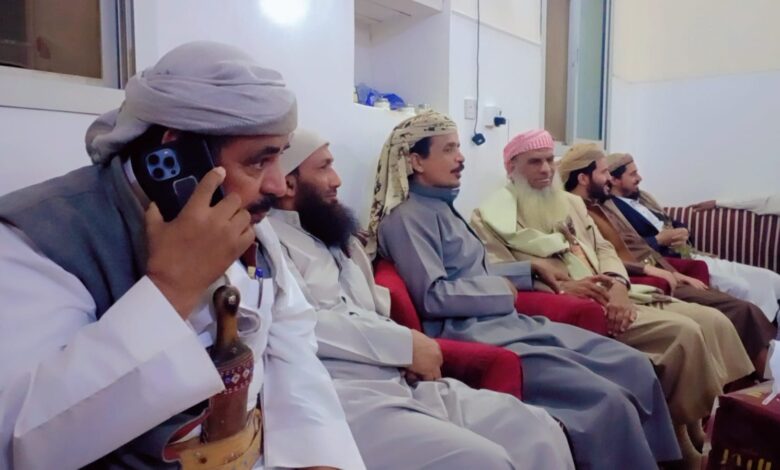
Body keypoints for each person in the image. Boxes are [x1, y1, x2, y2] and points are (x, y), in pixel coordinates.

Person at [0, 42, 363, 469]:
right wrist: (171, 291)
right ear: (175, 154)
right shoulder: (42, 238)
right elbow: (21, 441)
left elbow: (291, 345)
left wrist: (313, 457)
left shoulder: (242, 218)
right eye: (258, 162)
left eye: (279, 157)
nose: (278, 185)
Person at [368, 111, 681, 470]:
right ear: (416, 160)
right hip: (473, 332)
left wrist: (525, 270)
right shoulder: (407, 218)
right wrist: (504, 292)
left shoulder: (441, 205)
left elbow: (472, 271)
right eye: (449, 149)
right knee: (607, 399)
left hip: (506, 322)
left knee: (633, 363)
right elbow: (433, 296)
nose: (461, 157)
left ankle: (665, 461)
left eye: (459, 147)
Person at [266, 128, 575, 469]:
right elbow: (300, 323)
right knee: (486, 461)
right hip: (344, 392)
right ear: (288, 183)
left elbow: (373, 309)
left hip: (399, 377)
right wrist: (404, 345)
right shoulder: (270, 246)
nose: (337, 180)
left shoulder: (338, 240)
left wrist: (402, 353)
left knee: (538, 427)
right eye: (324, 168)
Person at [470, 130, 754, 465]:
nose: (546, 169)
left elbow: (605, 250)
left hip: (618, 291)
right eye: (535, 162)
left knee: (713, 320)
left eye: (549, 160)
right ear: (511, 167)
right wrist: (559, 287)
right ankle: (681, 443)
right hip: (579, 302)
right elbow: (498, 270)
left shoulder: (570, 203)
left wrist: (619, 285)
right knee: (684, 334)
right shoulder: (488, 217)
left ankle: (697, 426)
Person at [564, 148, 776, 376]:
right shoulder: (581, 209)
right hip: (635, 280)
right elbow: (612, 255)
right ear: (583, 178)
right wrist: (648, 270)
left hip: (650, 273)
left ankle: (758, 382)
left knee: (739, 303)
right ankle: (760, 382)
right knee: (723, 314)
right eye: (604, 172)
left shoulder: (598, 207)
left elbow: (620, 250)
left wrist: (671, 272)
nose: (608, 178)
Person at [607, 153, 780, 322]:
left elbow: (672, 221)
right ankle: (762, 329)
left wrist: (684, 231)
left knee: (770, 278)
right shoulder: (611, 211)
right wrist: (659, 240)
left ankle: (771, 328)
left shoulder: (644, 198)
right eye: (633, 174)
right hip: (670, 262)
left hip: (690, 253)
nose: (639, 178)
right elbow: (626, 249)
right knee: (742, 287)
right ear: (614, 180)